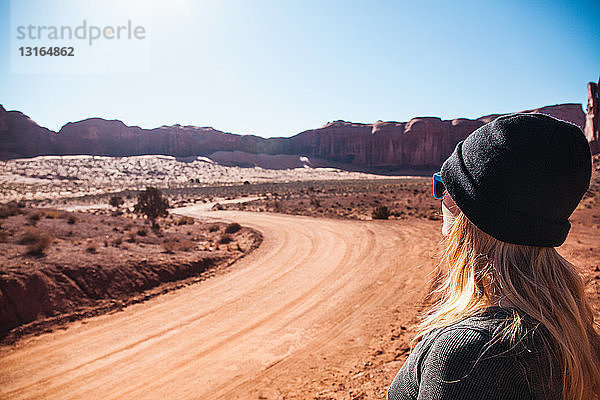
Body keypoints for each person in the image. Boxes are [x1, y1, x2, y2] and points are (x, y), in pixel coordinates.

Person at [387, 113, 600, 400]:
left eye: (443, 186)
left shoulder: (467, 359)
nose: (440, 198)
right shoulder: (577, 332)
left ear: (464, 207)